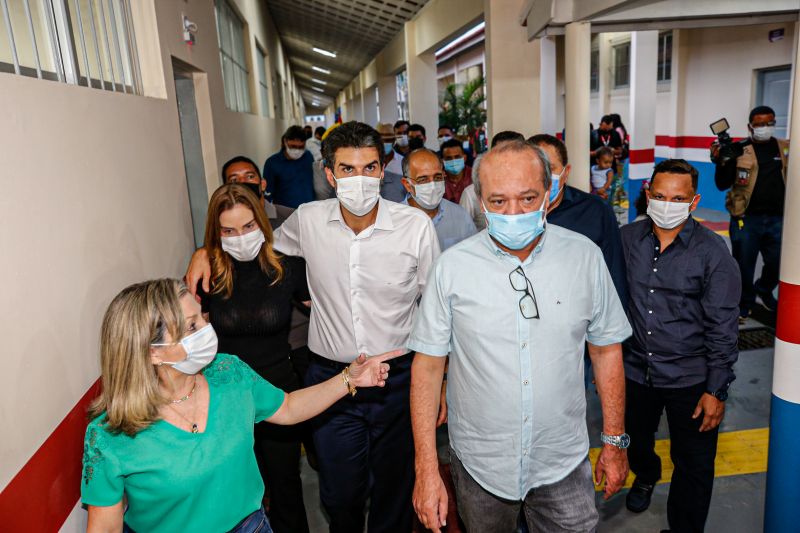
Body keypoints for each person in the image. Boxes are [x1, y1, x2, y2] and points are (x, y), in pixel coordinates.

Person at [186, 121, 440, 533]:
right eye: (347, 169)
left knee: (395, 486)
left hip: (398, 377)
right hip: (331, 380)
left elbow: (436, 311)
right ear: (329, 174)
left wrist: (438, 385)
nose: (359, 179)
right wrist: (204, 249)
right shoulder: (307, 220)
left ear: (382, 170)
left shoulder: (415, 228)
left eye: (370, 168)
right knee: (340, 493)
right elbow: (256, 247)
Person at [409, 140, 632, 533]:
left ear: (549, 194)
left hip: (561, 460)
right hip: (481, 465)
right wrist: (427, 468)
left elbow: (606, 351)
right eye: (498, 202)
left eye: (528, 198)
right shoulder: (452, 269)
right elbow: (427, 369)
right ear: (479, 200)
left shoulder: (584, 258)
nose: (514, 213)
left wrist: (614, 442)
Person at [81, 278, 401, 533]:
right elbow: (106, 529)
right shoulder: (110, 436)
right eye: (191, 327)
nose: (208, 331)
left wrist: (350, 378)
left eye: (202, 318)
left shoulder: (228, 373)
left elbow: (287, 407)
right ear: (154, 352)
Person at [621, 159, 740, 533]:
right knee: (636, 439)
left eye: (677, 198)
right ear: (647, 194)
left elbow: (723, 325)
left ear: (694, 200)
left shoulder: (713, 252)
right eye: (659, 196)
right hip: (635, 371)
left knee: (693, 464)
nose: (667, 204)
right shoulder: (626, 242)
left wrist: (715, 390)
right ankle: (645, 474)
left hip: (690, 377)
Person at [194, 183, 311, 532]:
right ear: (216, 234)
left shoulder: (286, 267)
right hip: (225, 400)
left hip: (278, 396)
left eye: (248, 227)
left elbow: (326, 311)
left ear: (262, 222)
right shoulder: (207, 274)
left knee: (286, 489)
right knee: (237, 495)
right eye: (228, 231)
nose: (240, 237)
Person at [529, 134, 627, 303]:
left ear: (565, 173)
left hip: (582, 319)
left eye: (549, 168)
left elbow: (614, 276)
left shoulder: (596, 211)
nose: (541, 176)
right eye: (532, 168)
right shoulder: (512, 214)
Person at [712, 105, 788, 320]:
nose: (765, 127)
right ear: (750, 126)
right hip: (746, 218)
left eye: (770, 123)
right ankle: (744, 304)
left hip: (777, 219)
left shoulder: (784, 148)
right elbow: (721, 184)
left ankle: (763, 289)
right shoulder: (739, 149)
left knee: (777, 263)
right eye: (760, 124)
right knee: (744, 266)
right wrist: (722, 161)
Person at [401, 148, 477, 251]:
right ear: (408, 185)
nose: (432, 186)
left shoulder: (460, 215)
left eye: (437, 177)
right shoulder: (396, 220)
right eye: (423, 179)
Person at [460, 131, 525, 231]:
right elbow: (463, 232)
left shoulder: (535, 190)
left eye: (515, 154)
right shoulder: (471, 194)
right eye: (502, 154)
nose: (509, 161)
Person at [222, 156, 294, 228]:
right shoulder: (223, 223)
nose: (242, 182)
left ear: (263, 184)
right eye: (234, 180)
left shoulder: (290, 217)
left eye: (250, 177)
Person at [263, 125, 315, 208]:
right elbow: (267, 193)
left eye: (301, 147)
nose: (297, 150)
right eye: (293, 146)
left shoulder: (308, 157)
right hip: (285, 214)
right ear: (285, 142)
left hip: (309, 210)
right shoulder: (272, 163)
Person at [377, 122, 406, 202]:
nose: (385, 143)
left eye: (389, 140)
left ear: (394, 141)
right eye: (383, 140)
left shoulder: (403, 162)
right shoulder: (370, 162)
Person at [441, 138, 472, 204]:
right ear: (442, 161)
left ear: (464, 158)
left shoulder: (474, 176)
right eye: (449, 158)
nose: (453, 161)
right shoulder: (439, 179)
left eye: (457, 157)